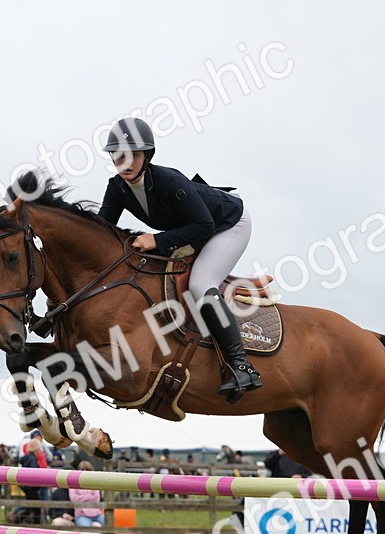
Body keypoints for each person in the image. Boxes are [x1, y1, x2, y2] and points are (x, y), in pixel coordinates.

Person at [99, 116, 262, 399]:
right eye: (117, 155)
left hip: (228, 224)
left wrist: (157, 240)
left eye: (132, 155)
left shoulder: (168, 180)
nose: (124, 161)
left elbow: (205, 226)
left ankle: (241, 366)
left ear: (146, 155)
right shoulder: (117, 188)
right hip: (194, 228)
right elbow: (102, 234)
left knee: (200, 283)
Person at [69, 461, 105, 528]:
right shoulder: (73, 484)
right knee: (86, 527)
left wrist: (81, 498)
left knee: (108, 523)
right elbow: (74, 499)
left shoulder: (94, 483)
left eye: (87, 469)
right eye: (82, 469)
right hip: (81, 515)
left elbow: (97, 498)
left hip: (97, 514)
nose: (84, 471)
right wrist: (89, 496)